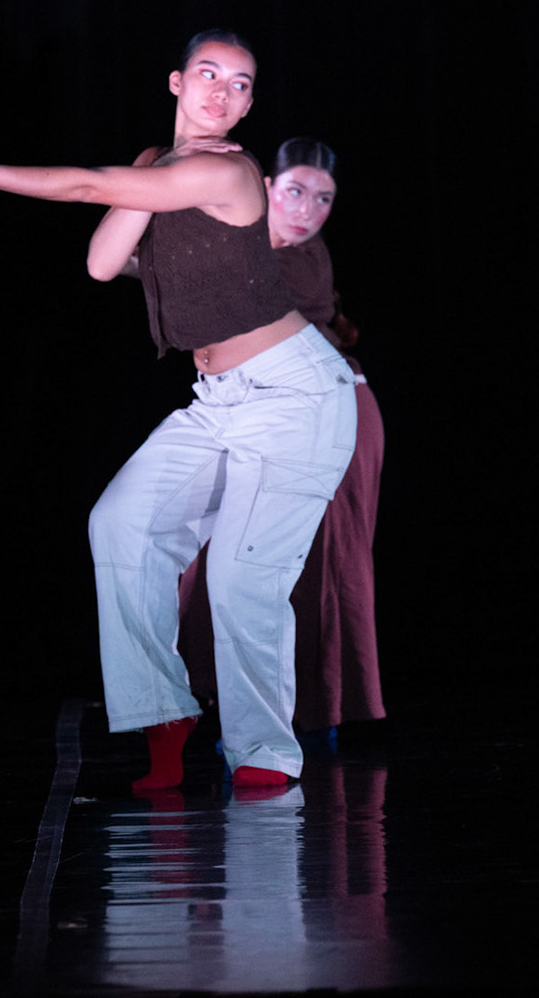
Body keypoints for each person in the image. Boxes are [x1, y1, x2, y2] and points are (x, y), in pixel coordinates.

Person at [0, 31, 357, 790]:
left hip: (295, 396)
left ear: (249, 102)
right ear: (177, 82)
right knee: (121, 524)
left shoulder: (227, 169)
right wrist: (147, 193)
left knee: (241, 582)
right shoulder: (159, 166)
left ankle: (265, 756)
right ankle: (164, 710)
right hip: (220, 399)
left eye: (241, 84)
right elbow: (102, 261)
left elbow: (90, 187)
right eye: (209, 74)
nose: (222, 92)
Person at [176, 138, 385, 735]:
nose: (308, 210)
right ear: (266, 187)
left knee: (321, 562)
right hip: (267, 412)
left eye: (324, 199)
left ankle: (321, 711)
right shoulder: (252, 245)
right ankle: (217, 697)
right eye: (296, 191)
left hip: (334, 413)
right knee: (218, 550)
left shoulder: (299, 261)